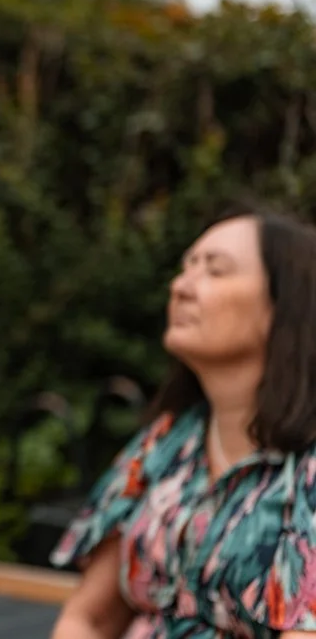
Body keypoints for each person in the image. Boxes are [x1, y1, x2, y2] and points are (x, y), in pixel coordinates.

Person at [49, 203, 316, 638]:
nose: (181, 287)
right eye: (185, 268)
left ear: (285, 306)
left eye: (215, 270)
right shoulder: (168, 442)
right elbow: (89, 619)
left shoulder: (308, 468)